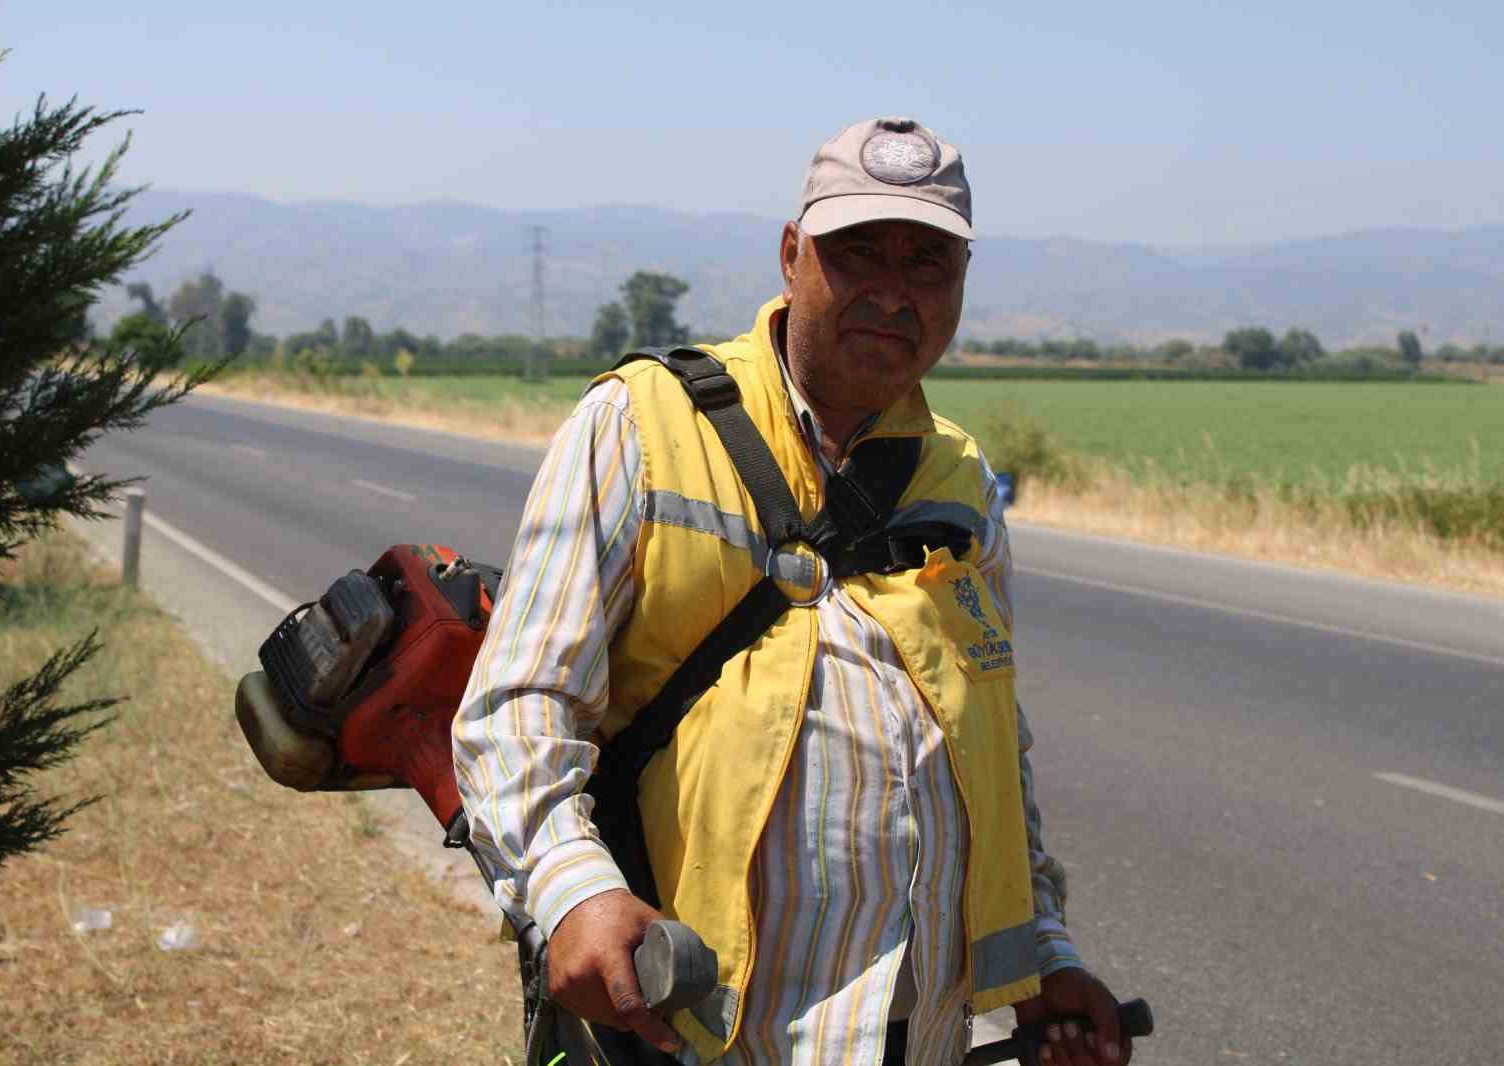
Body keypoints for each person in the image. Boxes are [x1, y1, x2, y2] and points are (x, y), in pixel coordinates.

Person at [452, 117, 1132, 1066]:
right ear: (790, 255)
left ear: (962, 286)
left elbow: (989, 752)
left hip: (915, 1034)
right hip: (696, 1021)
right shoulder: (641, 422)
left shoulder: (961, 480)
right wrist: (571, 891)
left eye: (928, 264)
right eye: (859, 254)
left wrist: (1046, 956)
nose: (893, 294)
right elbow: (520, 704)